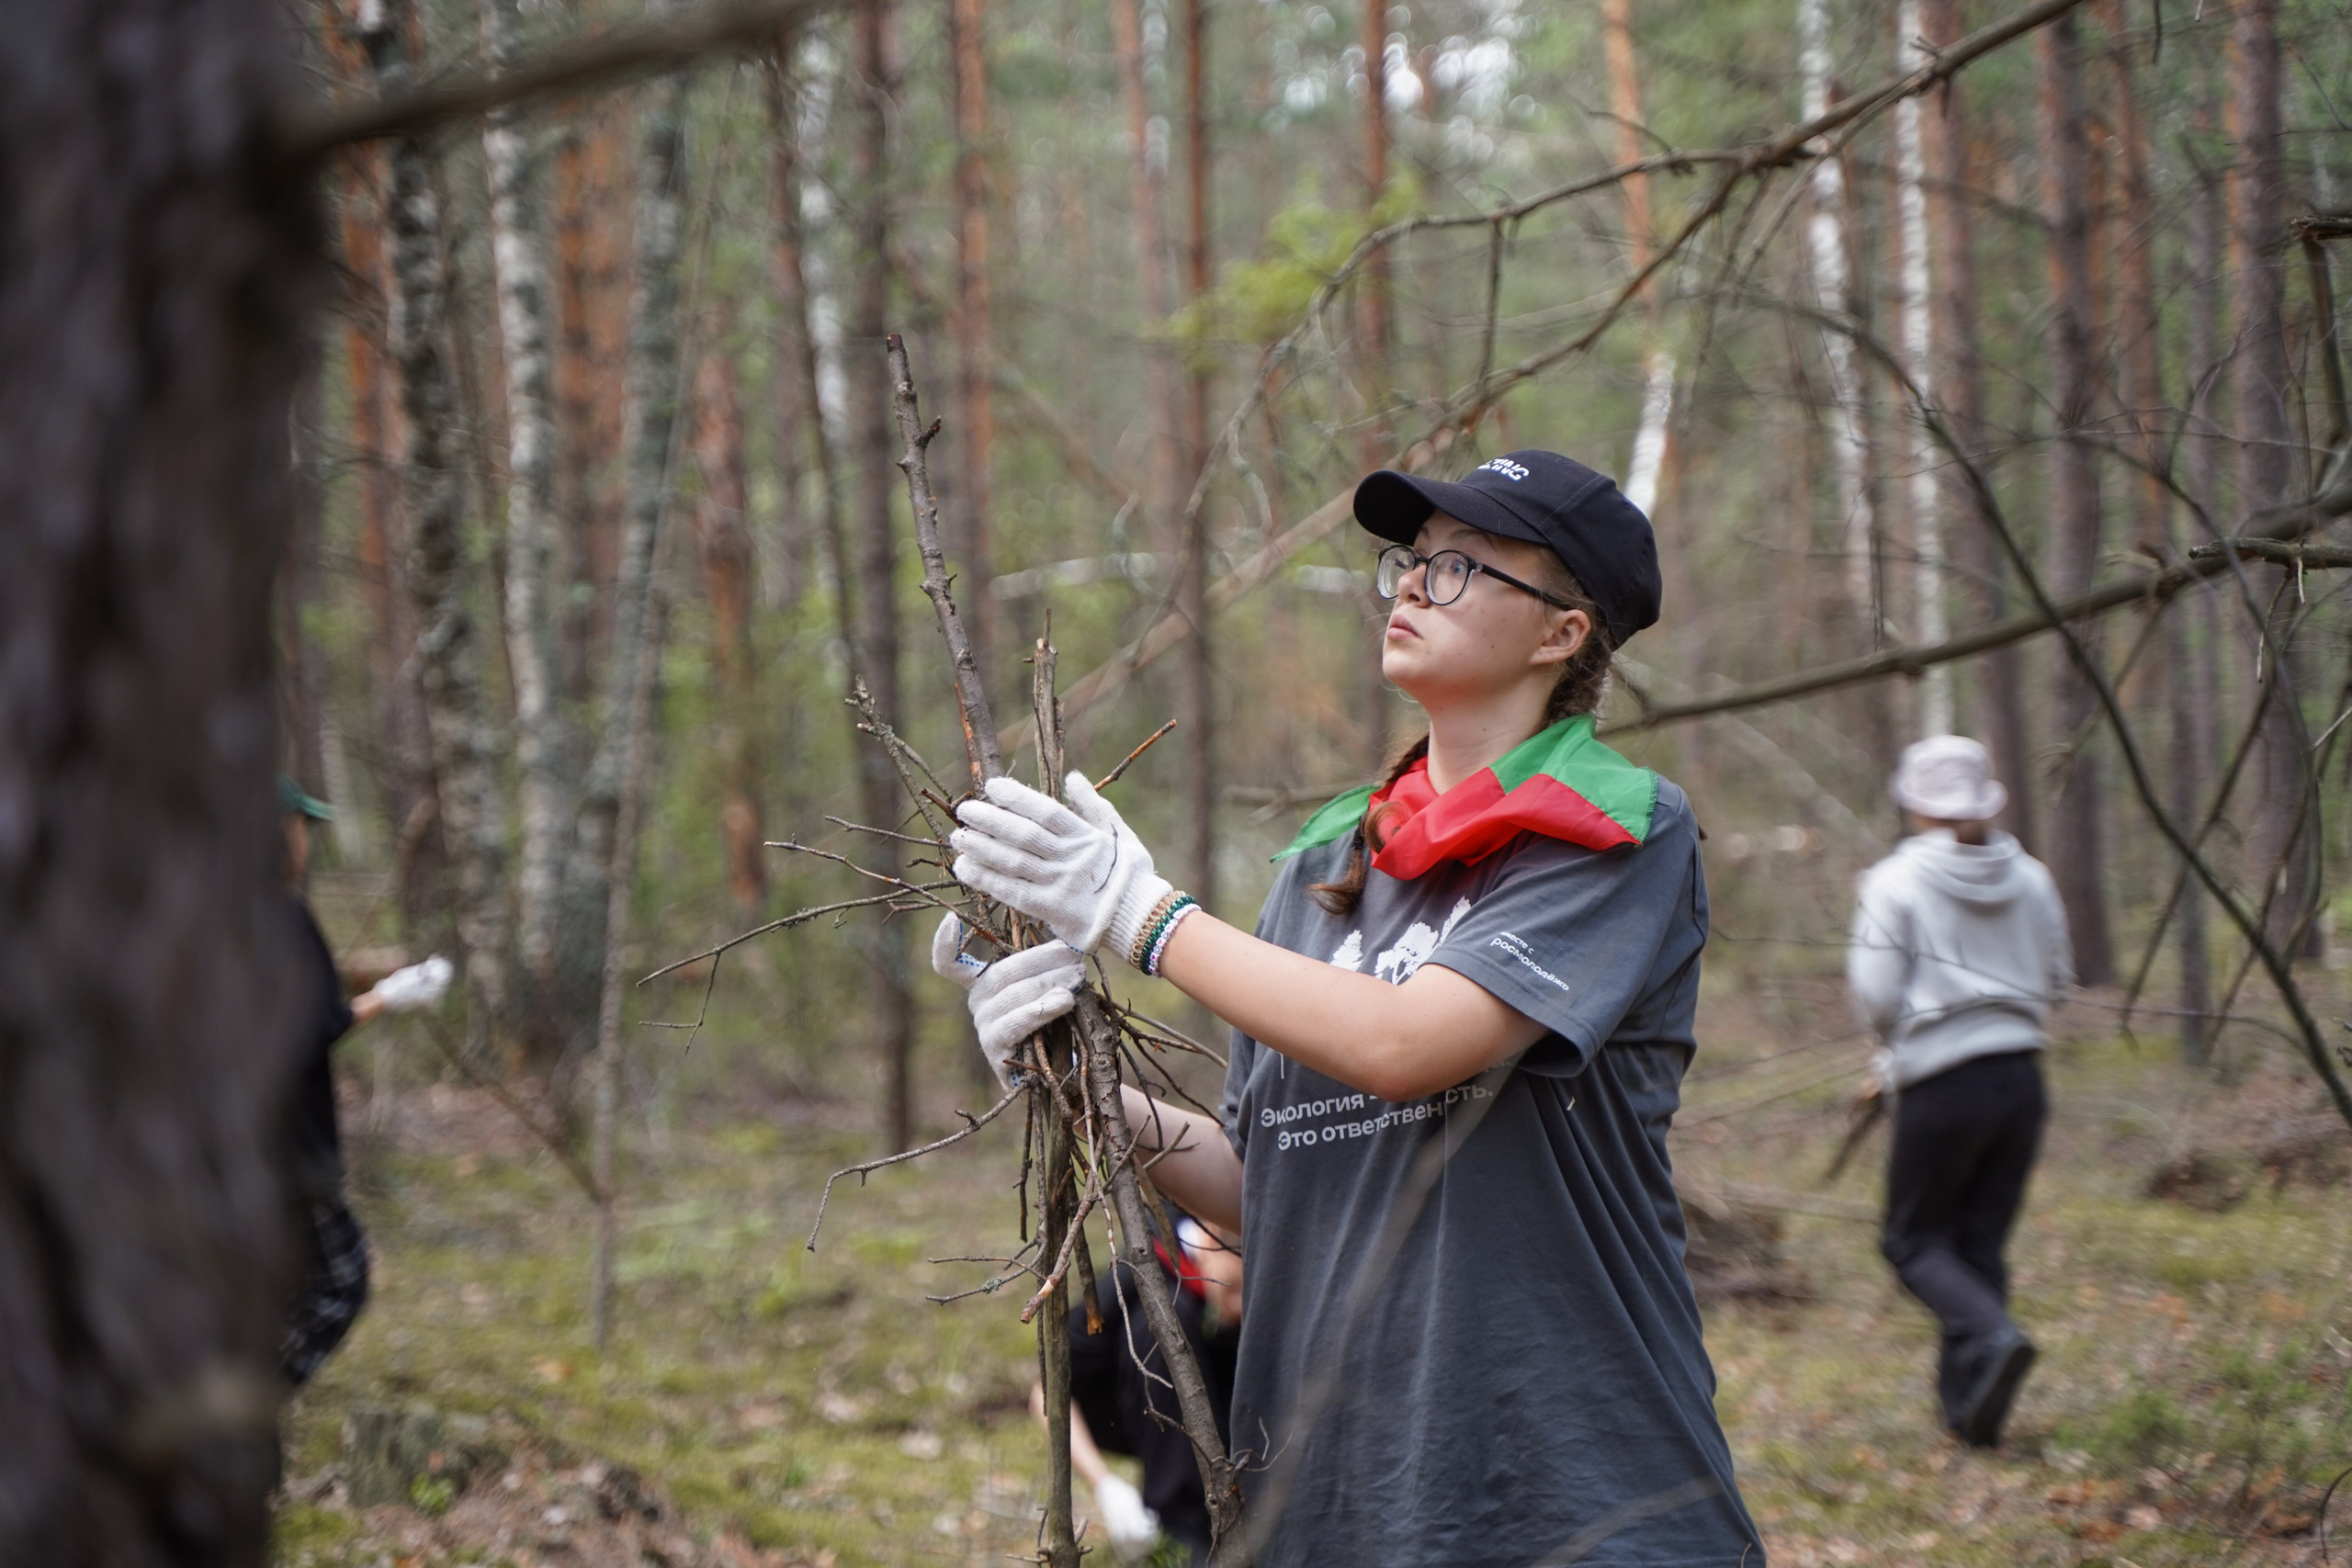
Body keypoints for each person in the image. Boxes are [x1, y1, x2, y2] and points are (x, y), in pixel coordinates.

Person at [934, 452, 1764, 1564]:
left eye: (1462, 568)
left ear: (1563, 632)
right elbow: (1275, 1183)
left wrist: (1143, 916)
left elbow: (1406, 1046)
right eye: (1410, 563)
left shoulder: (1619, 831)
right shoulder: (1330, 857)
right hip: (1332, 1504)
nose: (1413, 586)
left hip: (1568, 1492)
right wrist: (1073, 1082)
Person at [1846, 735, 2070, 1449]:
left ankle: (1992, 1335)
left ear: (1914, 803)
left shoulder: (1894, 880)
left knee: (1911, 1241)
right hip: (2022, 1077)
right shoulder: (2031, 875)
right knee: (1977, 1242)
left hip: (1943, 1084)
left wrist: (1893, 1046)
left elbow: (1877, 992)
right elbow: (2058, 975)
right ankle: (1970, 1411)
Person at [278, 778, 451, 1385]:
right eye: (300, 825)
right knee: (339, 1279)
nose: (306, 840)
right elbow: (315, 1023)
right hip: (292, 1146)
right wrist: (389, 995)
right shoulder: (283, 917)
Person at [1035, 1216, 1241, 1564]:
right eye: (1237, 1287)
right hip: (1134, 1410)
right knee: (1162, 1320)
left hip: (1224, 1416)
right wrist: (1105, 1485)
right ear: (1213, 1233)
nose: (1240, 1306)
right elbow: (1044, 1392)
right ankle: (1181, 1526)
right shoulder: (1141, 1269)